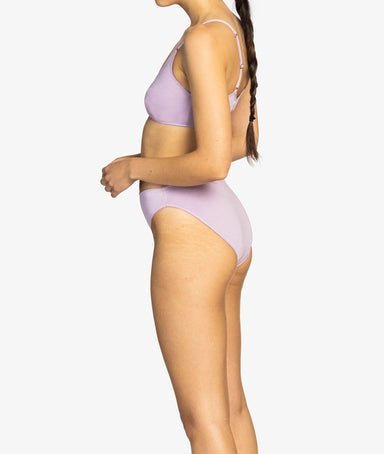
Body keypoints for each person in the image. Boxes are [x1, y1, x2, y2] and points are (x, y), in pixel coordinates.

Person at [100, 0, 259, 452]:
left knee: (203, 421)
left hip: (194, 237)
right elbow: (243, 140)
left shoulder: (203, 38)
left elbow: (213, 162)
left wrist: (134, 167)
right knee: (229, 410)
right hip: (221, 227)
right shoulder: (231, 30)